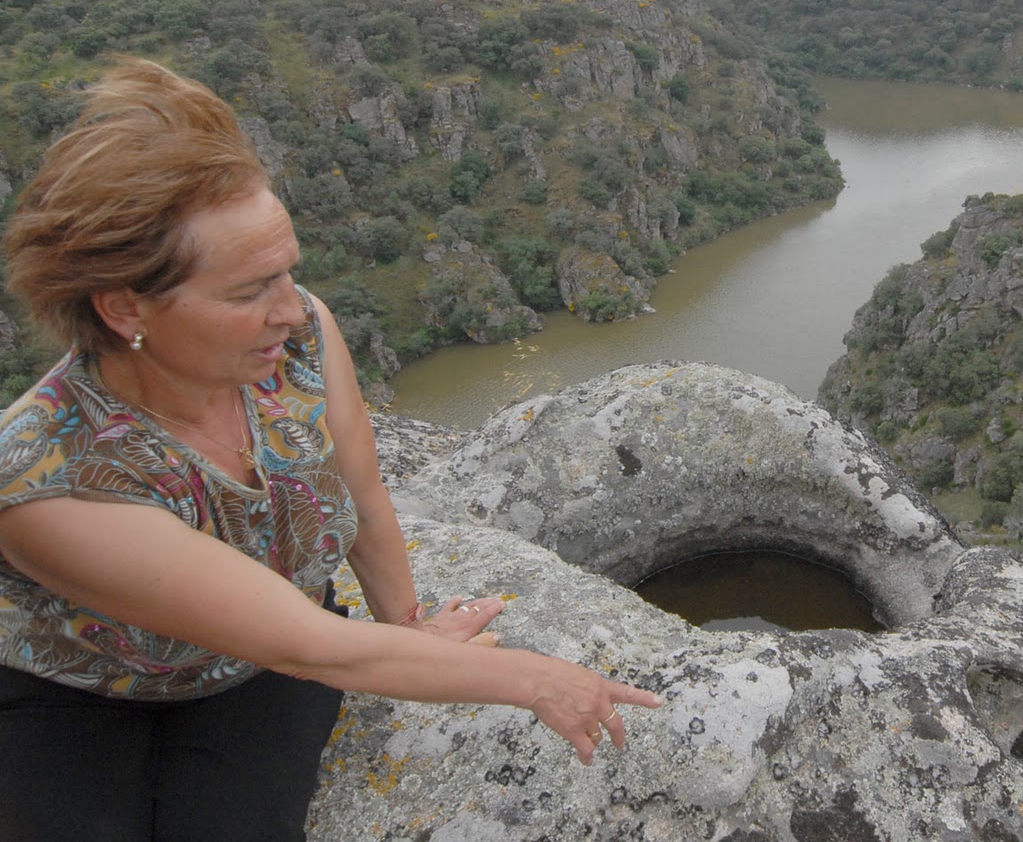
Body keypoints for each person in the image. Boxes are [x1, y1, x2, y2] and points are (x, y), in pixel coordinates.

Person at [0, 59, 662, 841]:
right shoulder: (48, 481)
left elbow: (362, 495)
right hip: (83, 681)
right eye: (250, 290)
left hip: (257, 668)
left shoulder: (302, 341)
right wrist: (537, 680)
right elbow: (312, 644)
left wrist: (407, 626)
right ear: (124, 308)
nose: (292, 308)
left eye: (289, 273)